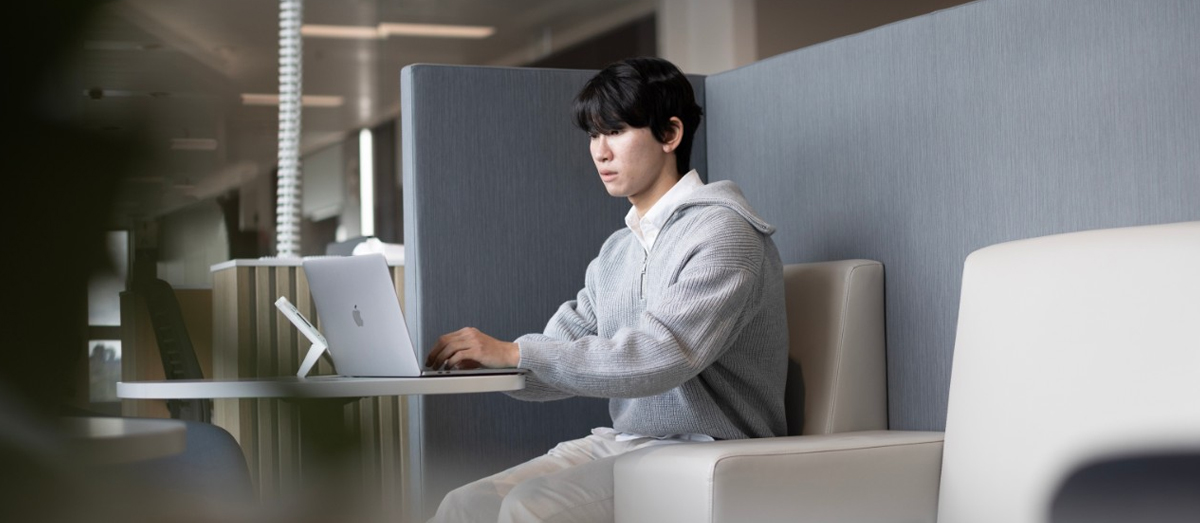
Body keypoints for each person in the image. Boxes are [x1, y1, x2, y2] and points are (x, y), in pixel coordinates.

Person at [424, 56, 789, 523]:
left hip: (708, 449)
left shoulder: (725, 234)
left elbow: (660, 357)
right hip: (629, 442)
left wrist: (515, 354)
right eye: (593, 135)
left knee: (528, 508)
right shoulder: (620, 248)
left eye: (615, 131)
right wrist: (477, 364)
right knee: (465, 504)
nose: (599, 151)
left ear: (670, 134)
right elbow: (558, 356)